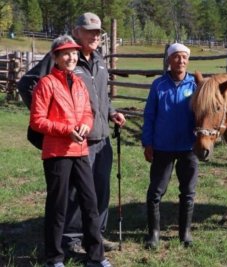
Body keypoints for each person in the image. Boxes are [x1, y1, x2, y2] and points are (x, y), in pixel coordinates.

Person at [17, 12, 126, 254]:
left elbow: (101, 97)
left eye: (98, 32)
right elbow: (27, 83)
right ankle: (72, 239)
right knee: (74, 194)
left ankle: (95, 235)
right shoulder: (64, 58)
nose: (95, 36)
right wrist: (49, 113)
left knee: (99, 190)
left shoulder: (99, 60)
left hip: (102, 136)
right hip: (74, 141)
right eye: (89, 31)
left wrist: (112, 112)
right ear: (76, 32)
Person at [30, 35, 111, 267]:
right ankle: (54, 258)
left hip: (80, 150)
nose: (72, 57)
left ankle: (95, 256)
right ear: (55, 57)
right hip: (57, 153)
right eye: (66, 53)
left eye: (74, 53)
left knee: (89, 202)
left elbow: (87, 110)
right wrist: (67, 130)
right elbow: (37, 121)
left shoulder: (78, 83)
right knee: (58, 205)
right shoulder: (46, 83)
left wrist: (86, 122)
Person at [141, 43, 199, 249]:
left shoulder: (195, 85)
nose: (180, 61)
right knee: (156, 192)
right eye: (176, 57)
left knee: (188, 192)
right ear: (168, 60)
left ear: (188, 60)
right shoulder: (158, 85)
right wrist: (147, 142)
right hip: (162, 146)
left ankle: (185, 233)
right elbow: (149, 116)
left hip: (188, 147)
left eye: (184, 57)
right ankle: (154, 234)